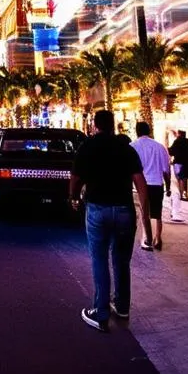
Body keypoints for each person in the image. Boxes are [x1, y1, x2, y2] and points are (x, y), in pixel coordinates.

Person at [69, 109, 153, 333]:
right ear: (113, 125)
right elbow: (140, 182)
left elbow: (75, 178)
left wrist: (74, 199)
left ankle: (100, 312)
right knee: (121, 260)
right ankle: (123, 306)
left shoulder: (87, 147)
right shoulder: (125, 148)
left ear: (95, 125)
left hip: (97, 208)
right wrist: (146, 218)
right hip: (124, 209)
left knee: (99, 259)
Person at [131, 121, 171, 251]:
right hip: (157, 183)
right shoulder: (160, 147)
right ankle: (158, 238)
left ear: (137, 131)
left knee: (145, 212)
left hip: (141, 185)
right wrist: (168, 186)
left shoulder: (132, 146)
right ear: (149, 131)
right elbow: (166, 170)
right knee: (157, 213)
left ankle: (146, 239)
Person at [169, 130, 188, 201]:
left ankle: (182, 195)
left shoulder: (177, 141)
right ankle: (184, 194)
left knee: (180, 179)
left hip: (178, 163)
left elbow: (171, 151)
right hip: (187, 163)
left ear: (179, 134)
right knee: (184, 179)